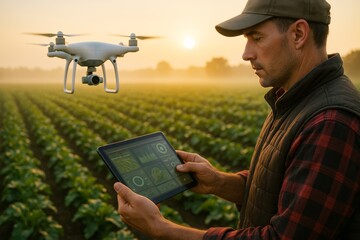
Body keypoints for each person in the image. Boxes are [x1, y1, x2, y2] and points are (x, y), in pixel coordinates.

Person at [113, 0, 360, 239]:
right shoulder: (292, 98)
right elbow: (280, 193)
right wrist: (219, 182)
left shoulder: (330, 121)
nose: (245, 53)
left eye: (257, 37)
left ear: (298, 34)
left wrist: (162, 229)